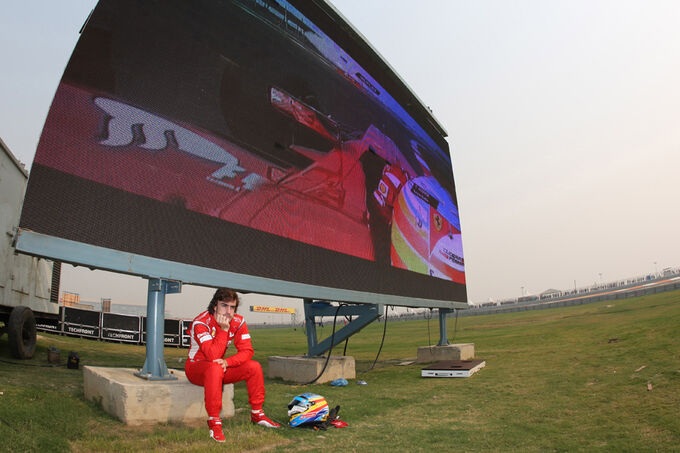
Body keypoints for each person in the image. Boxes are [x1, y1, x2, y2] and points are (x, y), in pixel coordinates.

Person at [185, 288, 280, 443]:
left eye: (232, 307)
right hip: (196, 369)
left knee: (254, 367)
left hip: (218, 367)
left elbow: (247, 350)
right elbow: (212, 355)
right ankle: (214, 422)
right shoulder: (201, 322)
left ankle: (257, 414)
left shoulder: (238, 321)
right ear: (215, 306)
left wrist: (228, 362)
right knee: (215, 367)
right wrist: (223, 330)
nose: (228, 311)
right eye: (224, 305)